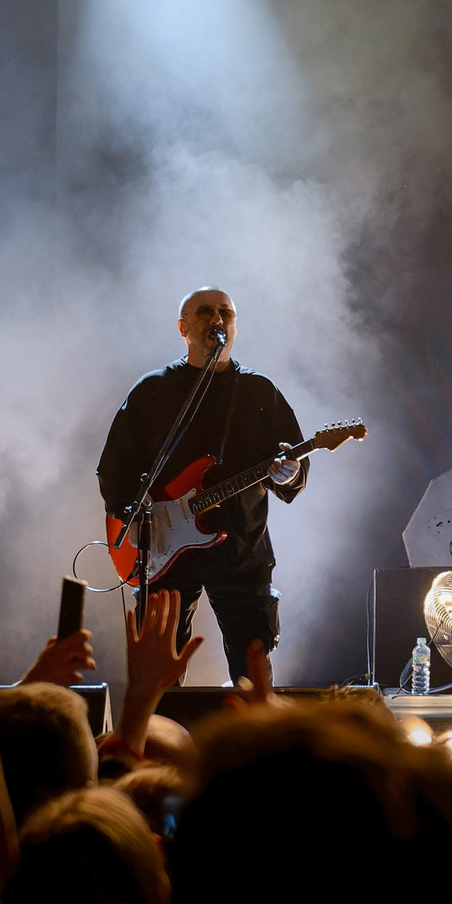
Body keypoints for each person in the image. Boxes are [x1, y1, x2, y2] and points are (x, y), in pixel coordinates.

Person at [96, 287, 308, 686]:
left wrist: (290, 472)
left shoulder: (258, 391)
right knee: (159, 672)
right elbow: (114, 465)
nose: (217, 319)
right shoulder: (153, 389)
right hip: (166, 548)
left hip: (241, 548)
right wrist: (132, 517)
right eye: (206, 311)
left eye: (226, 313)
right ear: (183, 328)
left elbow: (293, 462)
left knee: (252, 668)